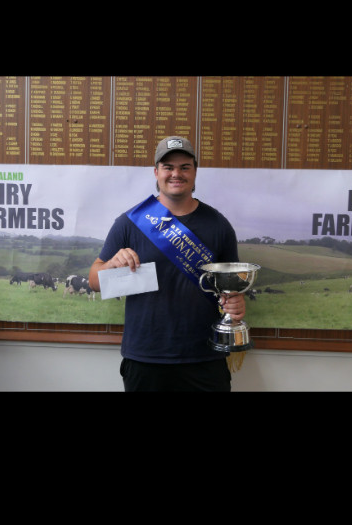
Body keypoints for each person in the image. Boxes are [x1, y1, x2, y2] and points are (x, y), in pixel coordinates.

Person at [88, 136, 246, 392]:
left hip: (205, 356)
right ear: (156, 172)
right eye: (168, 167)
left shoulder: (218, 224)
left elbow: (232, 285)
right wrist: (111, 266)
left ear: (195, 172)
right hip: (146, 357)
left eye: (184, 167)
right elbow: (94, 282)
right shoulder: (130, 222)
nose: (176, 174)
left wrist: (236, 302)